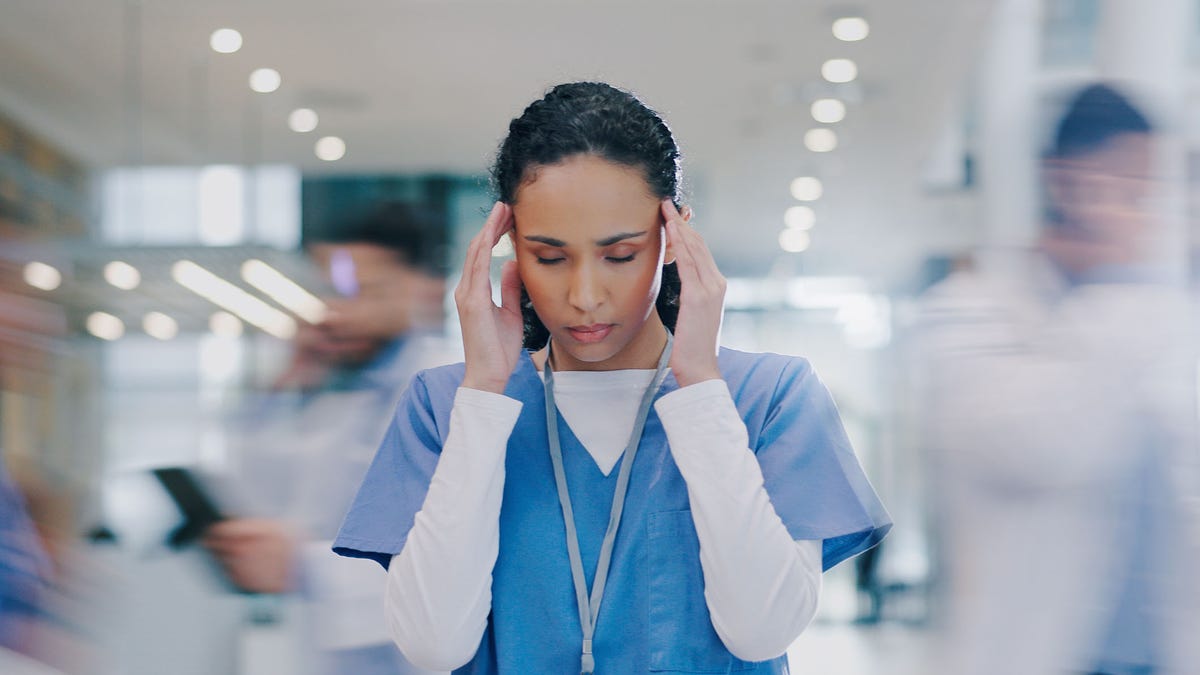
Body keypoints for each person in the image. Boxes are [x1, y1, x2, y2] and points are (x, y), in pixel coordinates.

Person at [332, 82, 890, 674]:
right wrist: (485, 397)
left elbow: (761, 632)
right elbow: (433, 646)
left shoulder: (769, 399)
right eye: (549, 257)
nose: (585, 297)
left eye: (620, 255)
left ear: (673, 239)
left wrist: (700, 386)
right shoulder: (447, 406)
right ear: (508, 245)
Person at [918, 83, 1200, 674]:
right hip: (1038, 655)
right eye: (1122, 183)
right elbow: (1046, 451)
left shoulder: (1165, 317)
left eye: (1149, 187)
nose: (1142, 211)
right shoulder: (971, 313)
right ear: (1063, 180)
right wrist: (1128, 283)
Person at [202, 201, 455, 675]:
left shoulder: (445, 393)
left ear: (422, 289)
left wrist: (303, 566)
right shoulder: (339, 387)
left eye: (365, 291)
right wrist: (289, 379)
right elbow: (261, 492)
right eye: (332, 291)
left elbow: (444, 562)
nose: (340, 311)